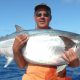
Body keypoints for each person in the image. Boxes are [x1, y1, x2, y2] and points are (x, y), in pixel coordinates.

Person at [13, 3, 80, 80]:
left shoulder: (62, 36)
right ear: (34, 17)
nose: (42, 17)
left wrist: (74, 62)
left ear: (50, 18)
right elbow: (21, 66)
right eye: (39, 14)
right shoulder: (23, 38)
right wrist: (15, 50)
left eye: (46, 14)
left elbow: (75, 64)